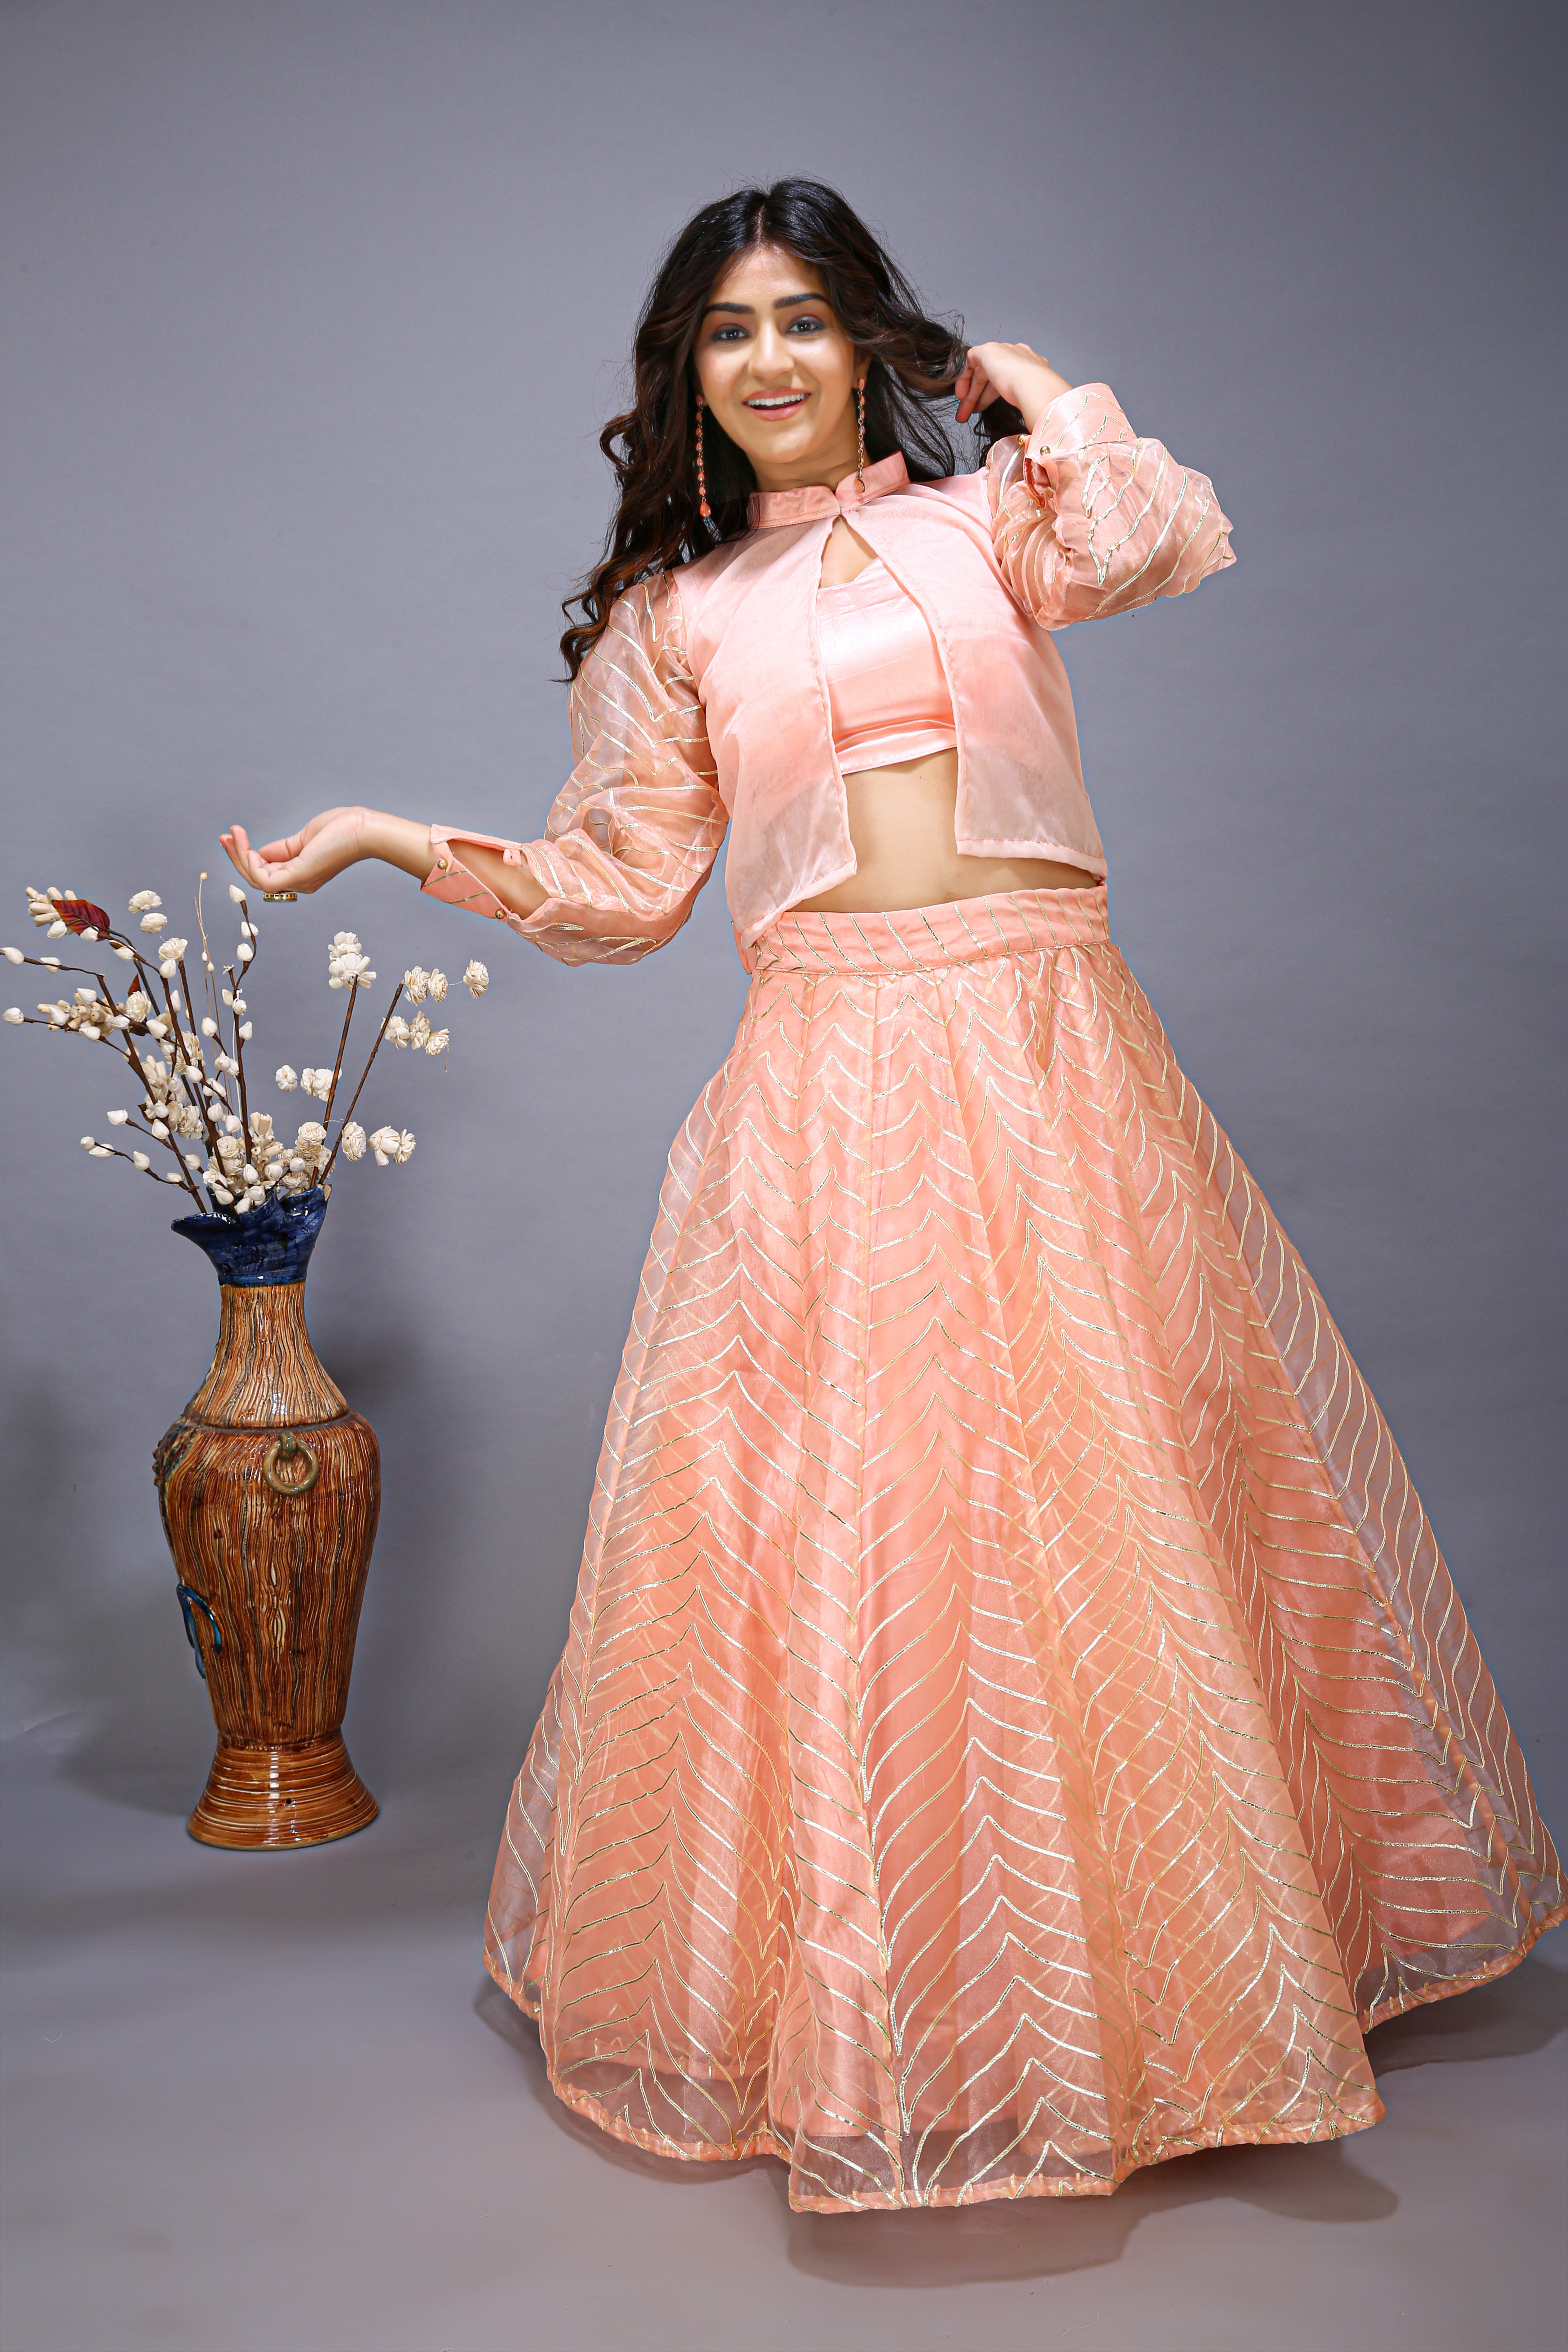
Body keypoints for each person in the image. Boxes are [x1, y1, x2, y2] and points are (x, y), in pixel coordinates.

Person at [222, 179, 1565, 2215]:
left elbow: (1150, 536)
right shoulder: (682, 619)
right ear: (691, 374)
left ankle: (1201, 1978)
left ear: (867, 346)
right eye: (730, 330)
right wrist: (394, 839)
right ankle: (911, 2009)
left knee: (1115, 1507)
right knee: (868, 1535)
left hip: (1052, 1054)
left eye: (805, 322)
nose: (768, 359)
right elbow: (615, 893)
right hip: (826, 1081)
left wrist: (1024, 386)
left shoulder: (994, 524)